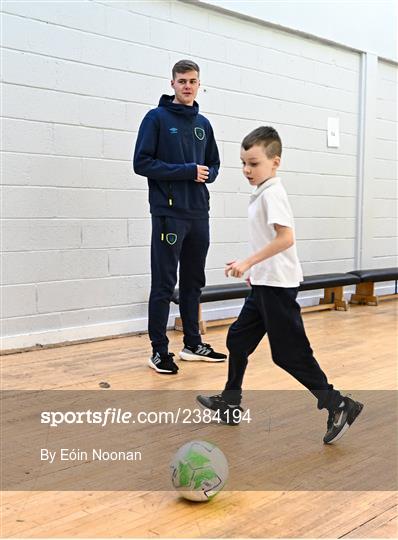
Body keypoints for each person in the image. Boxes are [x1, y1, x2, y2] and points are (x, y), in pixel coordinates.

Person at [197, 126, 363, 444]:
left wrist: (248, 262)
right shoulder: (262, 191)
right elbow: (269, 241)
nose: (247, 169)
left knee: (288, 354)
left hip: (277, 288)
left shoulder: (273, 193)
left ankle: (339, 404)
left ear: (276, 162)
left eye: (254, 163)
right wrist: (252, 268)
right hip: (263, 284)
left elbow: (286, 238)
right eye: (244, 162)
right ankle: (230, 404)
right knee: (237, 339)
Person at [133, 59, 227, 374]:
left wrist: (207, 174)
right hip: (168, 215)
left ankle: (193, 343)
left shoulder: (204, 124)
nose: (188, 86)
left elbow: (213, 164)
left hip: (199, 213)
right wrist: (188, 171)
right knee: (163, 284)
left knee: (193, 282)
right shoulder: (156, 119)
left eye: (193, 81)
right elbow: (141, 163)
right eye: (182, 80)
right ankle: (159, 351)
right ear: (172, 83)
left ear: (199, 84)